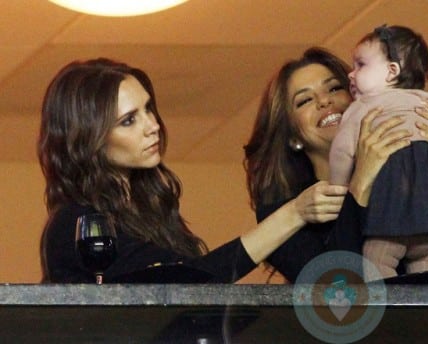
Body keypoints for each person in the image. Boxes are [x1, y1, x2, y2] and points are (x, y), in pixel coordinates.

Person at [38, 58, 335, 284]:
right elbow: (191, 280)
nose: (152, 126)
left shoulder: (149, 213)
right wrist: (295, 212)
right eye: (129, 120)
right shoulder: (75, 225)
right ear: (89, 139)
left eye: (148, 109)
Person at [244, 47, 428, 284]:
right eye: (304, 101)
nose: (324, 101)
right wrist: (360, 184)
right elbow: (337, 291)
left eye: (333, 89)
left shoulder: (404, 179)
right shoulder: (285, 215)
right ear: (293, 137)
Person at [329, 25, 428, 279]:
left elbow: (342, 150)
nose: (350, 73)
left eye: (360, 65)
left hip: (390, 217)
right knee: (427, 269)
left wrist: (339, 186)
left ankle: (391, 317)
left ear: (392, 71)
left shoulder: (364, 107)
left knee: (377, 264)